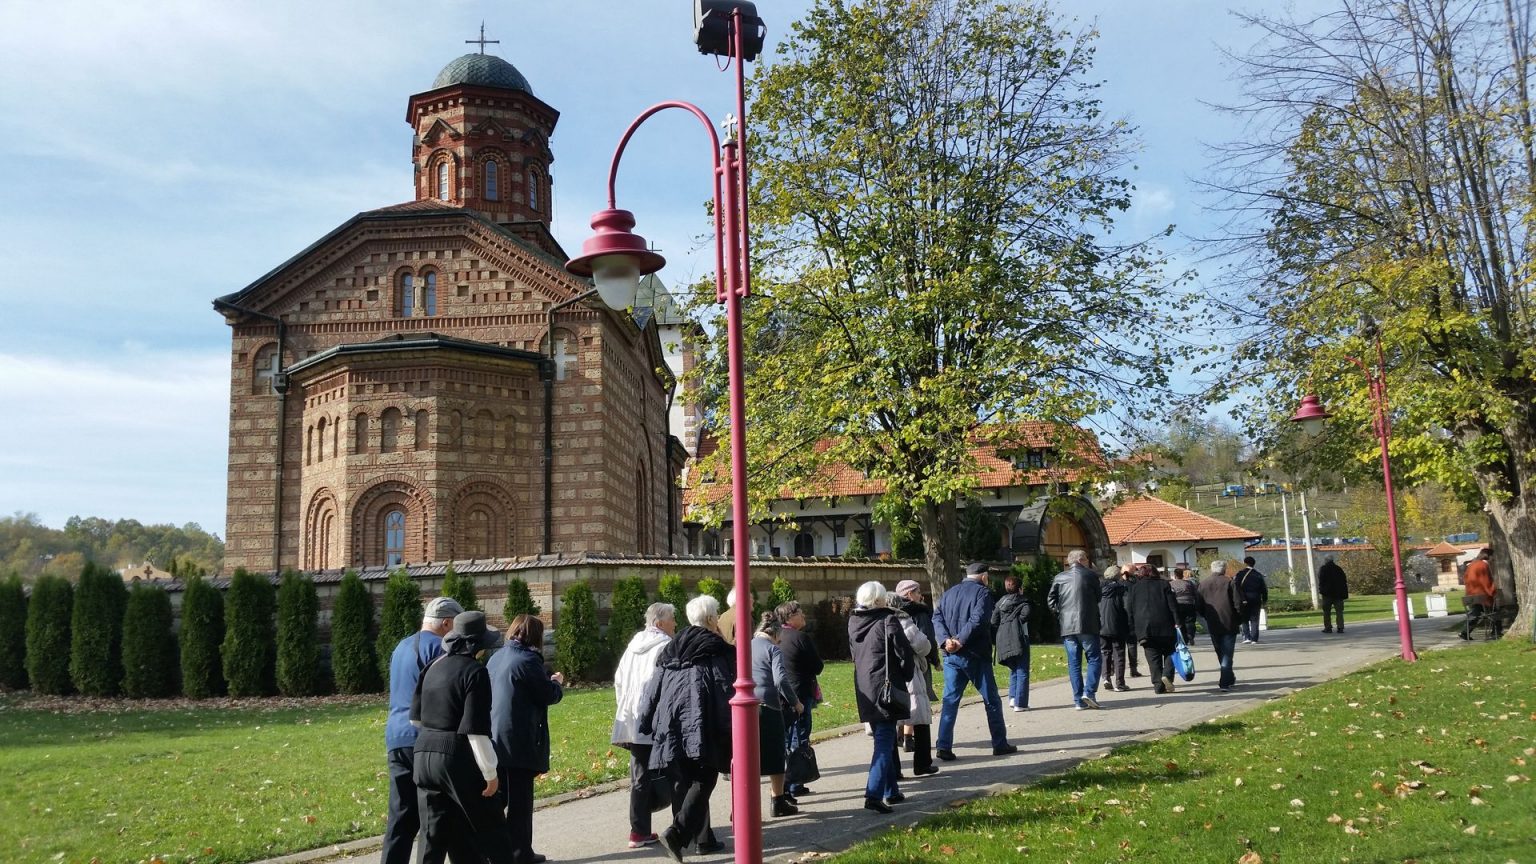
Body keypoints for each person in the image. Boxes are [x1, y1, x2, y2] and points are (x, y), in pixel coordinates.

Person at [410, 610, 515, 864]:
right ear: (478, 645)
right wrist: (490, 774)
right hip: (455, 757)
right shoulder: (475, 672)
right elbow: (476, 730)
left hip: (422, 755)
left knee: (432, 836)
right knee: (492, 830)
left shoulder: (433, 666)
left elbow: (416, 719)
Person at [639, 595, 733, 862]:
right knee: (704, 779)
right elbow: (724, 687)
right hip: (701, 724)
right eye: (717, 614)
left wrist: (645, 721)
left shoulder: (670, 649)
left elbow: (652, 689)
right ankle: (678, 833)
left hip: (670, 724)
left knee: (686, 781)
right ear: (712, 619)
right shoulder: (716, 649)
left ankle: (701, 839)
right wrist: (731, 729)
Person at [381, 595, 462, 864]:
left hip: (396, 736)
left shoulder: (401, 647)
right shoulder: (441, 649)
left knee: (400, 817)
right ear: (446, 623)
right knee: (434, 816)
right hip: (425, 740)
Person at [488, 614, 564, 864]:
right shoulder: (529, 661)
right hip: (519, 737)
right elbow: (546, 694)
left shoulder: (496, 658)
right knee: (520, 801)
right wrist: (557, 684)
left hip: (494, 735)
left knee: (499, 796)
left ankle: (492, 849)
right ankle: (520, 853)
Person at [932, 563, 1015, 760]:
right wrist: (960, 641)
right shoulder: (983, 593)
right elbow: (978, 620)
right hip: (975, 654)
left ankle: (943, 745)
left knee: (950, 700)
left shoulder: (949, 593)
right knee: (991, 700)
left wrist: (946, 640)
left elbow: (936, 618)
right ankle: (999, 743)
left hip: (952, 655)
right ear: (984, 577)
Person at [612, 602, 677, 849]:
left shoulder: (633, 646)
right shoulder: (665, 646)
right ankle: (680, 828)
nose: (675, 623)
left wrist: (624, 708)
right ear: (659, 623)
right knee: (675, 771)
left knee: (639, 775)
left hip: (632, 717)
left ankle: (638, 831)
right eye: (672, 618)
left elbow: (619, 680)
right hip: (656, 717)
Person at [848, 581, 915, 813]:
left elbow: (854, 653)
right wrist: (906, 674)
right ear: (878, 600)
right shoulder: (888, 620)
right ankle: (874, 794)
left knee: (883, 737)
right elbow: (904, 652)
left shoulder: (853, 621)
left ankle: (891, 790)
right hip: (886, 685)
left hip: (865, 686)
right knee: (885, 742)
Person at [750, 611, 803, 817]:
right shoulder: (772, 649)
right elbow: (780, 679)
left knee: (750, 756)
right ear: (776, 632)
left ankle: (746, 804)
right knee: (776, 755)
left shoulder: (746, 646)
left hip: (746, 707)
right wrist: (795, 702)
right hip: (768, 706)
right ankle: (777, 800)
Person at [775, 600, 823, 799]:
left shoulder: (776, 637)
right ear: (789, 617)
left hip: (781, 695)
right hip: (800, 693)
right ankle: (794, 783)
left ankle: (790, 783)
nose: (804, 616)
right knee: (800, 736)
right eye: (800, 613)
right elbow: (817, 666)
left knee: (786, 738)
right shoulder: (800, 638)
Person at [1048, 550, 1104, 709]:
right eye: (1086, 559)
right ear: (1080, 560)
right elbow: (1098, 597)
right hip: (1088, 624)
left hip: (1067, 626)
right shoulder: (1091, 575)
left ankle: (1079, 700)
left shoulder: (1059, 577)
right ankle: (1089, 692)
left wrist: (1061, 613)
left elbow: (1051, 601)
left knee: (1074, 663)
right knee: (1094, 658)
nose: (1087, 562)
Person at [888, 590, 936, 777]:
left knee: (890, 723)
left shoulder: (873, 622)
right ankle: (922, 763)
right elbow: (923, 645)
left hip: (887, 675)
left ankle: (894, 770)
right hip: (909, 673)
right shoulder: (903, 621)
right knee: (920, 717)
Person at [1124, 563, 1182, 694]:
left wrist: (1132, 627)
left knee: (1152, 657)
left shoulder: (1134, 588)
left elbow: (1130, 609)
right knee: (1171, 652)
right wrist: (1178, 622)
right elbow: (1172, 605)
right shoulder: (1164, 584)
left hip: (1144, 628)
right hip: (1165, 625)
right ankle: (1167, 675)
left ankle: (1158, 685)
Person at [1197, 560, 1244, 691]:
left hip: (1213, 622)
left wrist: (1206, 616)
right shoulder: (1230, 582)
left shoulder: (1203, 584)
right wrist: (1239, 618)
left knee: (1221, 652)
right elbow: (1238, 602)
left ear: (1212, 569)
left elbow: (1199, 605)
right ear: (1224, 569)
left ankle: (1228, 677)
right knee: (1227, 653)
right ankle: (1225, 682)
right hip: (1229, 620)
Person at [990, 574, 1032, 711]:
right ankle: (1021, 703)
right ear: (1020, 589)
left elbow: (993, 621)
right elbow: (1025, 616)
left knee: (1014, 669)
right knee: (1022, 670)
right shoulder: (1024, 602)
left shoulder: (1000, 603)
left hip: (1003, 639)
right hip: (1020, 638)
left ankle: (1013, 698)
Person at [1099, 565, 1133, 692]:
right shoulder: (1121, 589)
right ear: (1118, 576)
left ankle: (1106, 677)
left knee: (1105, 652)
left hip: (1101, 625)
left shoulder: (1099, 589)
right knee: (1119, 653)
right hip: (1117, 625)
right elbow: (1127, 606)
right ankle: (1120, 683)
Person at [1461, 548, 1495, 639]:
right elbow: (1486, 581)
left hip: (1470, 595)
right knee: (1496, 611)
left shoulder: (1471, 565)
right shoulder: (1483, 565)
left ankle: (1465, 632)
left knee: (1475, 613)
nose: (1493, 559)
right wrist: (1492, 591)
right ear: (1488, 555)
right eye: (1492, 556)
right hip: (1481, 596)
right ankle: (1496, 632)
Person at [1234, 556, 1269, 644]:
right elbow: (1264, 589)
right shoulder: (1258, 575)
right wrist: (1264, 600)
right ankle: (1254, 638)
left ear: (1245, 563)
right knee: (1255, 619)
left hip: (1244, 599)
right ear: (1254, 564)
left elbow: (1237, 587)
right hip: (1256, 599)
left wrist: (1242, 598)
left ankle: (1247, 637)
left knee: (1244, 619)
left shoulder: (1240, 574)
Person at [1169, 566, 1201, 645]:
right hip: (1190, 604)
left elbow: (1170, 596)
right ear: (1182, 575)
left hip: (1178, 605)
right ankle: (1190, 634)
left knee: (1180, 622)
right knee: (1190, 621)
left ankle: (1184, 639)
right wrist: (1197, 603)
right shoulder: (1189, 583)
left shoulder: (1171, 584)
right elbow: (1196, 594)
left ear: (1175, 575)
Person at [1318, 555, 1349, 634]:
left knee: (1326, 612)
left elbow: (1321, 580)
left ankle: (1328, 627)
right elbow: (1344, 581)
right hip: (1338, 594)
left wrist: (1321, 590)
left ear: (1326, 560)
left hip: (1327, 594)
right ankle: (1340, 627)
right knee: (1339, 612)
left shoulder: (1323, 569)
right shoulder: (1338, 569)